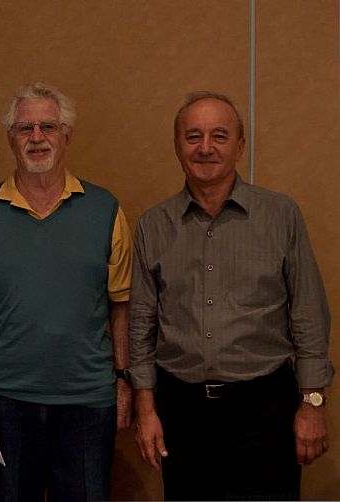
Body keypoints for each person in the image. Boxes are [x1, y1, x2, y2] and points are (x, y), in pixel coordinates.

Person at [129, 91, 334, 500]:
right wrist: (145, 410)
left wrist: (312, 404)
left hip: (265, 407)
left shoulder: (280, 215)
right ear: (177, 146)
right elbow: (140, 325)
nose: (205, 148)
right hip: (181, 409)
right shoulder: (153, 225)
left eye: (219, 136)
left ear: (240, 146)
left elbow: (309, 314)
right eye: (193, 136)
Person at [0, 82, 133, 501]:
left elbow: (122, 307)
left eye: (49, 126)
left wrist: (122, 380)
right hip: (4, 399)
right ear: (11, 138)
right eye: (25, 128)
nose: (37, 137)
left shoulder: (106, 210)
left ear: (67, 136)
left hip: (87, 400)